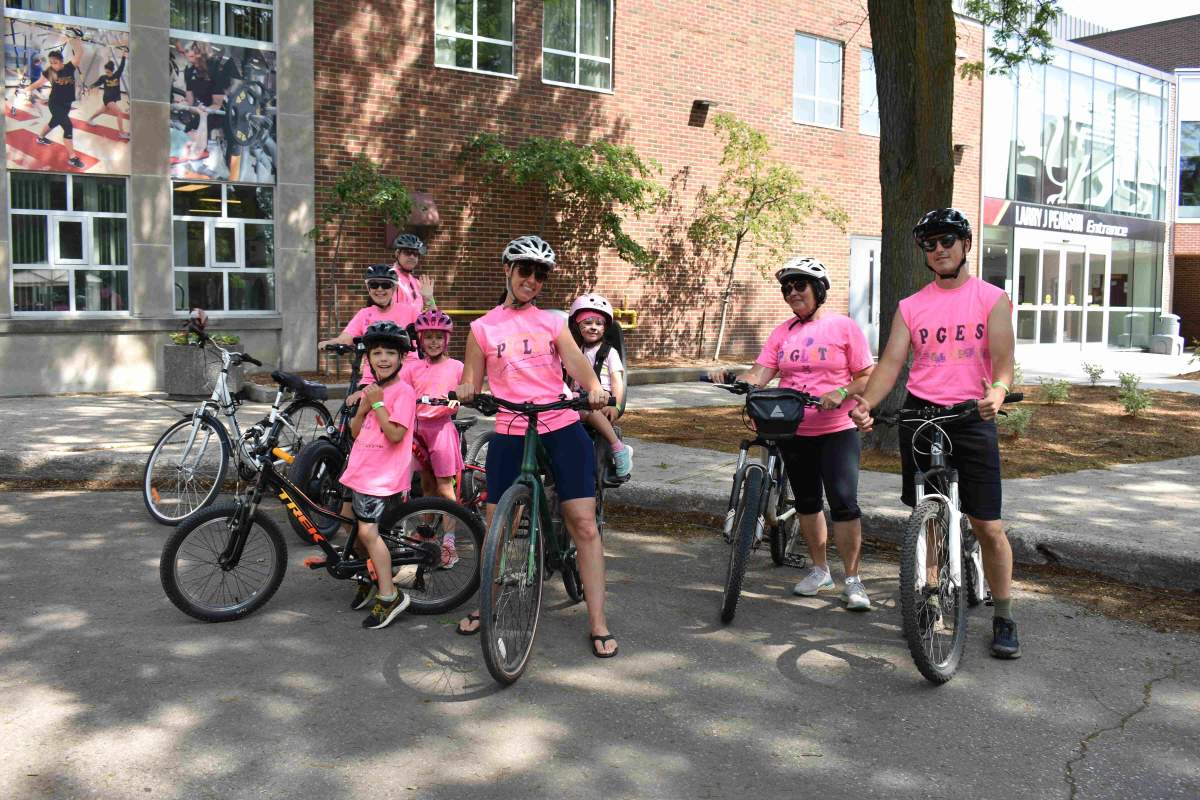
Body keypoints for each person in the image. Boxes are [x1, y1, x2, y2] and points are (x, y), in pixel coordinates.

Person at [849, 208, 1020, 658]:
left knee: (987, 524)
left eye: (947, 240)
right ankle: (928, 595)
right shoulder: (912, 306)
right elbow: (889, 366)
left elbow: (1003, 364)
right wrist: (865, 402)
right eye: (931, 244)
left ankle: (1004, 615)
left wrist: (999, 392)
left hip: (972, 414)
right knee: (930, 517)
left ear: (965, 245)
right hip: (921, 415)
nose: (940, 249)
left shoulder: (991, 298)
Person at [454, 235, 618, 659]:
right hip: (510, 426)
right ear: (507, 270)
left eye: (540, 274)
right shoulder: (482, 327)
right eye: (525, 270)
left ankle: (598, 621)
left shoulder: (552, 320)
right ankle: (485, 603)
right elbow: (471, 377)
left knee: (582, 521)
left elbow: (575, 360)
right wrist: (468, 387)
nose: (532, 279)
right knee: (497, 528)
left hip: (559, 422)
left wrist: (595, 387)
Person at [709, 257, 875, 611]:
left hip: (836, 429)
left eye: (800, 285)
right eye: (787, 288)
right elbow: (760, 374)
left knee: (844, 503)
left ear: (818, 290)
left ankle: (853, 580)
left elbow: (865, 374)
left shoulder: (843, 327)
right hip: (794, 429)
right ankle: (820, 570)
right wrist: (732, 378)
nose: (792, 293)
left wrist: (841, 393)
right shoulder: (782, 333)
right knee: (808, 502)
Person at [337, 320, 417, 629]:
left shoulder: (403, 392)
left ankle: (390, 595)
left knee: (369, 533)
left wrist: (377, 403)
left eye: (389, 353)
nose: (382, 358)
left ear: (401, 358)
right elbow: (356, 433)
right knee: (349, 527)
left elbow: (396, 434)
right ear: (369, 358)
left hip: (381, 475)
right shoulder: (372, 390)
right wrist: (363, 407)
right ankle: (372, 575)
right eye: (377, 353)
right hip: (359, 468)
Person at [401, 308, 464, 568]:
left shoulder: (457, 366)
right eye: (428, 337)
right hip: (416, 429)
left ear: (446, 339)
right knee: (425, 485)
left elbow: (465, 390)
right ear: (420, 340)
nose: (434, 342)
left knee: (445, 487)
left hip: (441, 428)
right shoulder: (411, 367)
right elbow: (399, 391)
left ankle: (450, 542)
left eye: (439, 337)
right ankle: (427, 533)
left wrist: (459, 398)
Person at [318, 263, 419, 390]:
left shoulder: (409, 311)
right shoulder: (364, 314)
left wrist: (429, 299)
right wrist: (330, 342)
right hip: (372, 375)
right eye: (374, 285)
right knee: (354, 405)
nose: (380, 289)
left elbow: (433, 329)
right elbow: (346, 338)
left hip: (405, 373)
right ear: (369, 288)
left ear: (394, 288)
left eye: (386, 285)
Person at [567, 293, 632, 478]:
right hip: (578, 398)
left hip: (603, 399)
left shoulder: (610, 353)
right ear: (578, 326)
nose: (593, 327)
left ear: (605, 328)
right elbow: (571, 377)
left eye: (598, 323)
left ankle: (618, 448)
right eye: (587, 322)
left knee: (590, 412)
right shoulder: (575, 350)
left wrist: (615, 404)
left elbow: (617, 381)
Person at [28, 38, 85, 169]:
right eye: (51, 62)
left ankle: (40, 137)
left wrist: (74, 39)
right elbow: (38, 83)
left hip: (66, 104)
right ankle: (72, 157)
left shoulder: (70, 67)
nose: (53, 65)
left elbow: (80, 52)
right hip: (54, 103)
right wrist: (26, 89)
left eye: (56, 62)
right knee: (68, 127)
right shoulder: (50, 72)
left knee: (54, 122)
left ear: (62, 61)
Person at [391, 233, 437, 322]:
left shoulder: (418, 283)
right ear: (397, 253)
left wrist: (429, 297)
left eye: (416, 254)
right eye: (407, 252)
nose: (412, 257)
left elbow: (433, 319)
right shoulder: (389, 278)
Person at [86, 56, 129, 139]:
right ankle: (121, 133)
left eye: (109, 72)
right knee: (119, 113)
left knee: (102, 111)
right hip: (107, 98)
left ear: (112, 71)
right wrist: (90, 87)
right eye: (106, 72)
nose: (107, 74)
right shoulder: (103, 77)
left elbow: (122, 66)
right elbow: (97, 83)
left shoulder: (116, 75)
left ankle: (89, 120)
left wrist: (123, 56)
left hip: (113, 98)